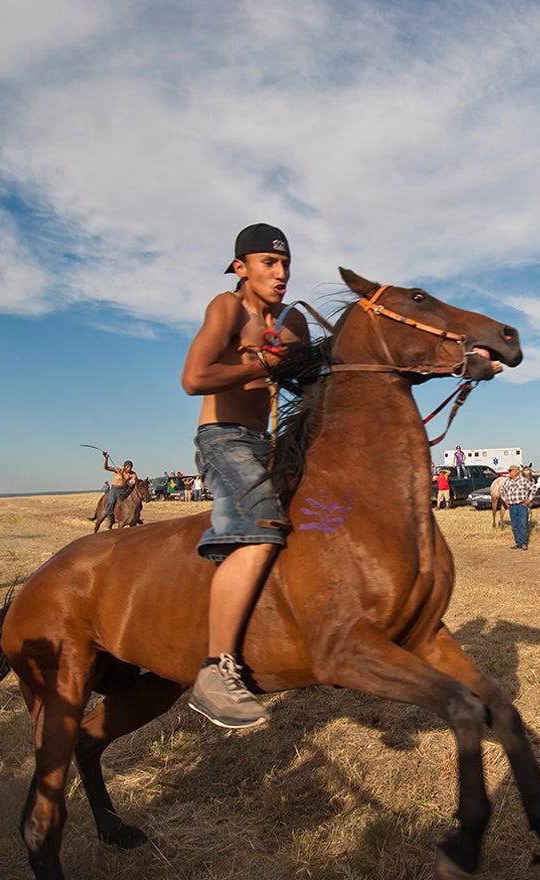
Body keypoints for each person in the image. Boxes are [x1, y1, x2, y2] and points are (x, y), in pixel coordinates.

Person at [180, 222, 310, 729]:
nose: (281, 274)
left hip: (270, 443)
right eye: (269, 264)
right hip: (224, 437)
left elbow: (308, 375)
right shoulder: (227, 307)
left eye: (286, 264)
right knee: (258, 527)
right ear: (241, 268)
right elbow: (194, 378)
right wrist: (259, 364)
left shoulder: (288, 319)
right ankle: (215, 671)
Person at [94, 454, 138, 532]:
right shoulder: (118, 470)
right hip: (115, 489)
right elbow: (106, 467)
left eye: (131, 467)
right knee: (111, 501)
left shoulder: (132, 474)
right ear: (125, 466)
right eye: (128, 467)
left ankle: (136, 516)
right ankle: (109, 516)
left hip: (125, 490)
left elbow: (134, 482)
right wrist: (106, 459)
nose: (130, 468)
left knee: (135, 500)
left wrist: (129, 484)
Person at [501, 464, 535, 549]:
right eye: (509, 471)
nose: (509, 473)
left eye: (511, 471)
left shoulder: (523, 481)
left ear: (516, 472)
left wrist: (529, 499)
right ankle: (518, 542)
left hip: (521, 505)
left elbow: (534, 488)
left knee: (523, 525)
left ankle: (524, 543)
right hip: (512, 506)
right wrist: (505, 500)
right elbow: (502, 490)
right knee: (515, 526)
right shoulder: (507, 481)